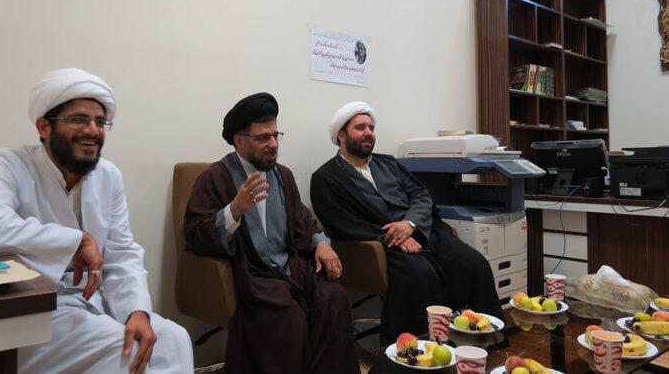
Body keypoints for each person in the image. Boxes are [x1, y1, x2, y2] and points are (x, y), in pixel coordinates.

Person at [0, 68, 193, 374]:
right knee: (123, 351)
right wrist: (76, 240)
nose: (92, 130)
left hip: (95, 301)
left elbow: (121, 254)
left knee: (173, 339)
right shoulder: (8, 164)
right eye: (79, 119)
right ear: (44, 127)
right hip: (38, 313)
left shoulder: (108, 175)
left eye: (100, 122)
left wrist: (136, 311)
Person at [184, 93, 359, 374]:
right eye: (264, 138)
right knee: (288, 317)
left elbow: (303, 220)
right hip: (253, 272)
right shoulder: (215, 177)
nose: (274, 144)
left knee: (333, 298)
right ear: (239, 141)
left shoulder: (282, 175)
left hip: (290, 265)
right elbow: (195, 235)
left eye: (276, 136)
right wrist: (234, 211)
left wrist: (322, 243)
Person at [310, 101, 504, 345]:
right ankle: (421, 351)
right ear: (341, 135)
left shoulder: (388, 163)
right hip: (384, 246)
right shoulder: (325, 178)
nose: (368, 133)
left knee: (474, 264)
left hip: (424, 232)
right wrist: (396, 237)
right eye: (360, 128)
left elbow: (420, 195)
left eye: (371, 128)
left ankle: (485, 342)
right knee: (421, 275)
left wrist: (411, 224)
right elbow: (341, 223)